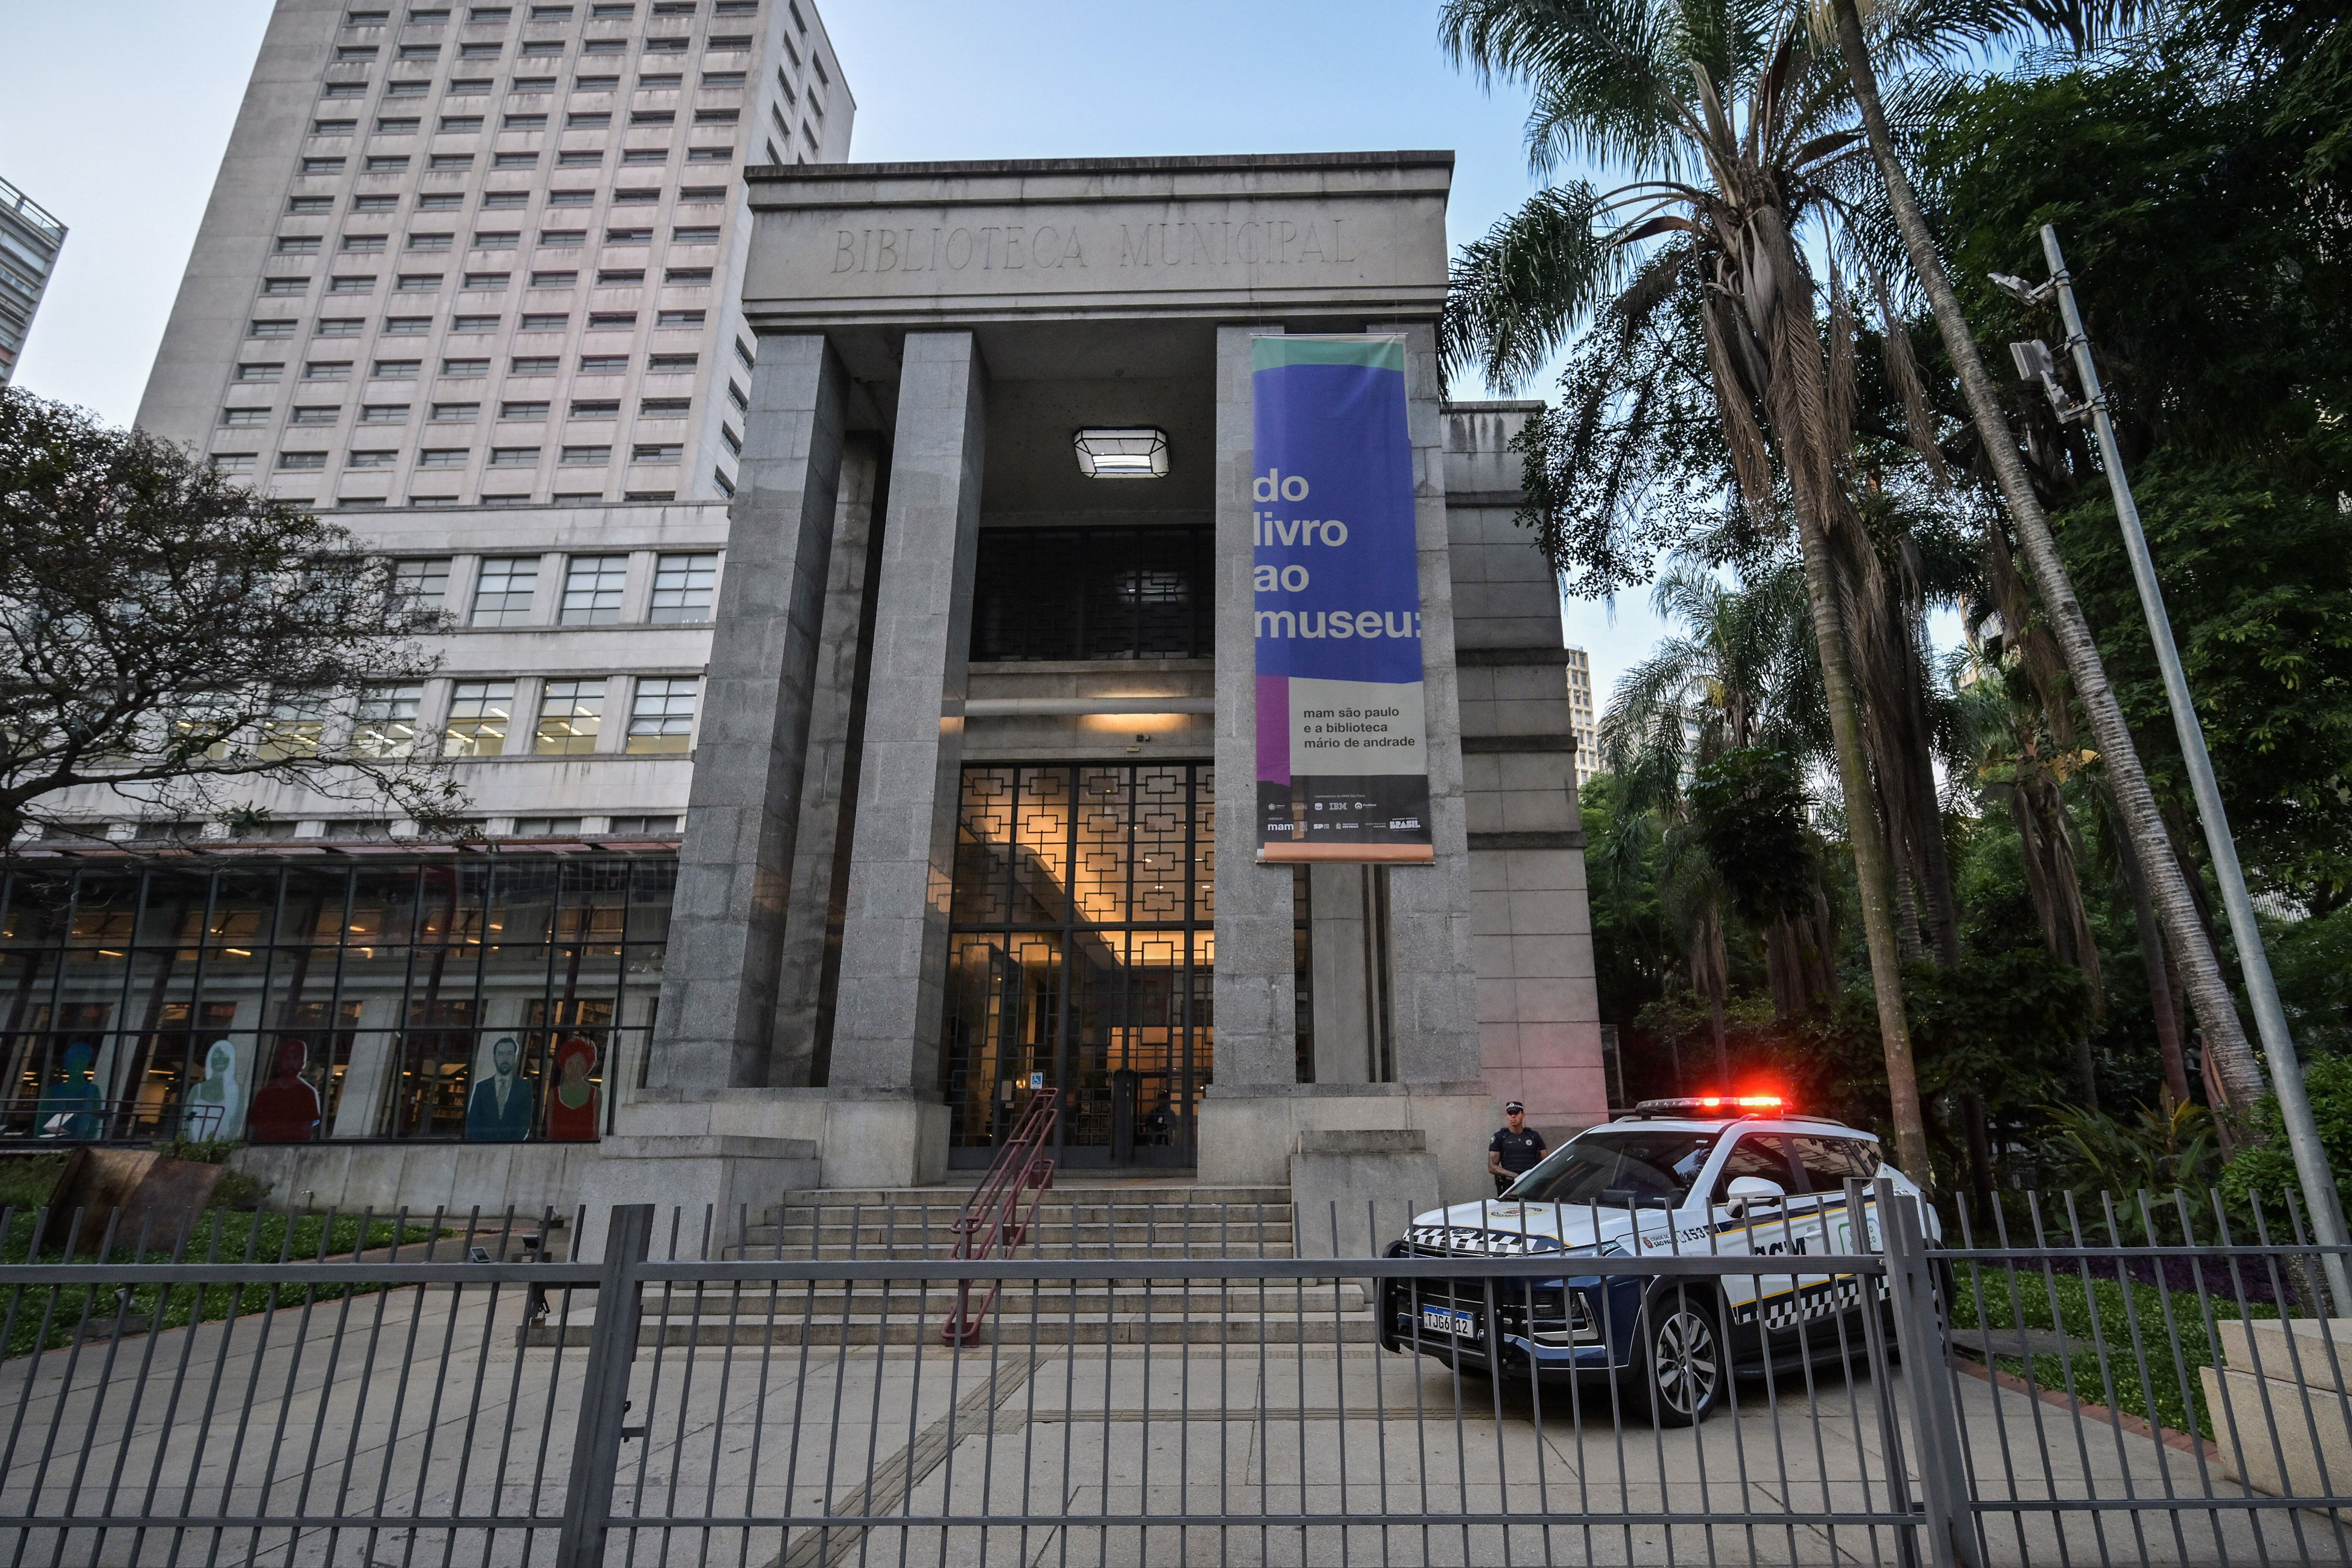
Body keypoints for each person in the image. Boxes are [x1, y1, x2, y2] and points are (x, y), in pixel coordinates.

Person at [465, 1035, 534, 1141]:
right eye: (501, 1054)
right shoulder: (482, 1088)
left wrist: (509, 1145)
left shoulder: (524, 1087)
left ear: (515, 1058)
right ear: (495, 1058)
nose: (505, 1059)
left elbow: (524, 1123)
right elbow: (473, 1122)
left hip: (511, 1146)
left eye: (510, 1054)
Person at [1487, 1100, 1546, 1195]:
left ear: (1523, 1115)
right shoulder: (1500, 1137)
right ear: (1507, 1116)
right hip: (1510, 1185)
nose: (1513, 1117)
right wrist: (1515, 1176)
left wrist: (1533, 1176)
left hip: (1531, 1183)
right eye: (1510, 1114)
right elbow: (1492, 1167)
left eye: (1516, 1113)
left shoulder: (1534, 1136)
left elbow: (1546, 1162)